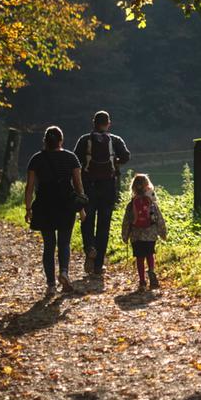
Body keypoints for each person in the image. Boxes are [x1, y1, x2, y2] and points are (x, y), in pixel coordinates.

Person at [23, 126, 85, 295]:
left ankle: (51, 285)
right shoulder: (71, 158)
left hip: (44, 205)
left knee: (49, 245)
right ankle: (64, 272)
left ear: (45, 141)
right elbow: (78, 186)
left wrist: (28, 208)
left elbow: (29, 187)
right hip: (66, 205)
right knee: (64, 242)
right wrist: (81, 209)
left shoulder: (36, 159)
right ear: (61, 141)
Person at [74, 110, 130, 276]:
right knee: (104, 225)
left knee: (87, 220)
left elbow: (75, 160)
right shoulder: (115, 140)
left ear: (94, 123)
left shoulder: (84, 140)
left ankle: (90, 247)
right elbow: (126, 156)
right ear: (108, 123)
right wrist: (115, 162)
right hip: (108, 187)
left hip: (88, 186)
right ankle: (98, 265)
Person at [120, 173, 167, 291]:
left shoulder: (131, 204)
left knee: (139, 258)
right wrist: (163, 233)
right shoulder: (151, 203)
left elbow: (126, 221)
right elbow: (159, 218)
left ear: (133, 188)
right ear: (148, 186)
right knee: (150, 254)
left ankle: (142, 281)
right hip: (150, 235)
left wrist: (125, 236)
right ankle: (151, 272)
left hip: (136, 236)